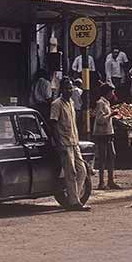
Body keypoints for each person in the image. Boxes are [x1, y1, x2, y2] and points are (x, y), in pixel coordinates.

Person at [49, 77, 91, 211]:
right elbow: (53, 124)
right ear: (62, 89)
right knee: (71, 172)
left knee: (82, 170)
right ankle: (74, 202)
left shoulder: (71, 102)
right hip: (64, 143)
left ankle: (73, 199)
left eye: (71, 88)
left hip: (74, 142)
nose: (70, 90)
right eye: (67, 88)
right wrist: (59, 144)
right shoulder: (57, 104)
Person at [92, 83, 119, 190]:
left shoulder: (106, 103)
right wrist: (111, 115)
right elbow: (100, 120)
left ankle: (110, 180)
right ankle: (101, 182)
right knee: (103, 157)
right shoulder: (100, 103)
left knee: (112, 155)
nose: (113, 94)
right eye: (111, 91)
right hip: (102, 133)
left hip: (108, 132)